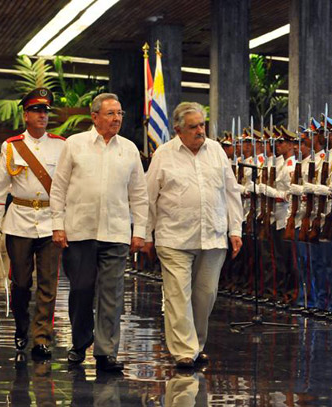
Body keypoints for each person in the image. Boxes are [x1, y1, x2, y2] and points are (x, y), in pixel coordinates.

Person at [50, 92, 148, 372]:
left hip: (116, 234)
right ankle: (80, 344)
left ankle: (106, 352)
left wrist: (139, 230)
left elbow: (139, 194)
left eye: (119, 114)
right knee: (81, 291)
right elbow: (58, 188)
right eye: (110, 113)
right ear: (94, 117)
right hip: (79, 232)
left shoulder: (128, 149)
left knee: (112, 294)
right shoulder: (74, 144)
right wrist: (58, 225)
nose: (117, 118)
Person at [143, 102, 243, 369]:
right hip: (174, 238)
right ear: (178, 130)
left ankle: (196, 346)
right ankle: (183, 351)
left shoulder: (217, 151)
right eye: (194, 126)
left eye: (202, 125)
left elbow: (231, 192)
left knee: (206, 294)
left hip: (212, 236)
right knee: (177, 295)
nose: (200, 131)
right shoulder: (163, 155)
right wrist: (145, 235)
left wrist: (235, 230)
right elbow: (148, 198)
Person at [0, 88, 65, 360]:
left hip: (51, 221)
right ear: (26, 114)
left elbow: (66, 187)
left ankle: (41, 338)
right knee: (20, 282)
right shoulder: (11, 145)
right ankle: (21, 326)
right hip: (18, 221)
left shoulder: (61, 145)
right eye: (37, 110)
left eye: (45, 111)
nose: (43, 115)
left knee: (48, 283)